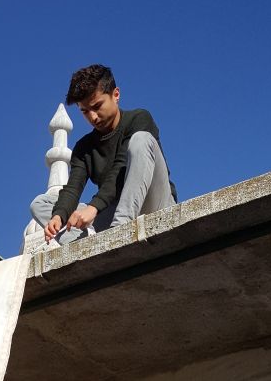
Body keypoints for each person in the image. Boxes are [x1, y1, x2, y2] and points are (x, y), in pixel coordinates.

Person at [30, 64, 176, 246]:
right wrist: (58, 215)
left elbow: (120, 168)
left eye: (97, 106)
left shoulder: (139, 118)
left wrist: (94, 207)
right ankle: (82, 243)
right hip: (112, 210)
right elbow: (73, 188)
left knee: (141, 140)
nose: (92, 117)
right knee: (40, 203)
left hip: (154, 204)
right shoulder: (84, 148)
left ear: (116, 95)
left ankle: (119, 231)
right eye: (84, 111)